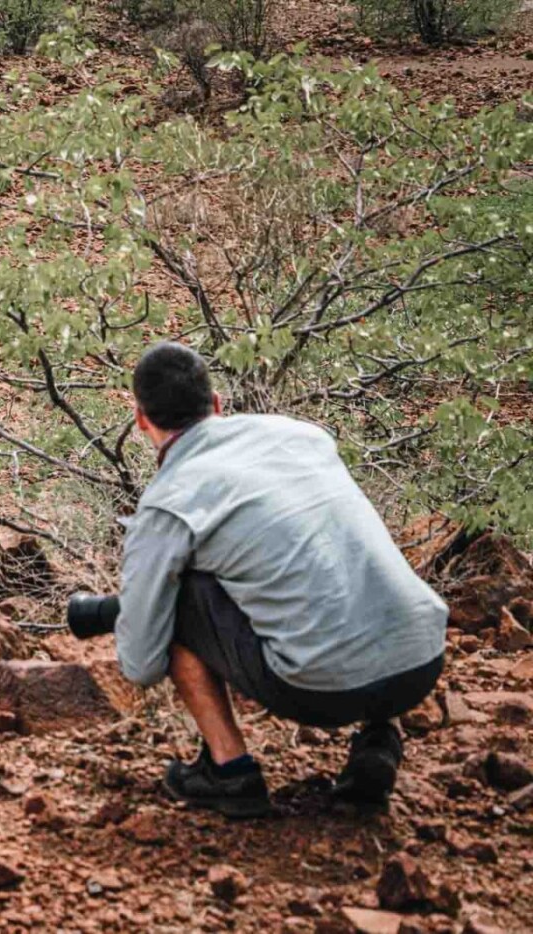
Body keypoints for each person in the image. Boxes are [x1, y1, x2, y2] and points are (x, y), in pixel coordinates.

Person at [117, 342, 447, 818]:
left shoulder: (169, 503)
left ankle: (229, 772)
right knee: (327, 552)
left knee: (181, 595)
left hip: (321, 691)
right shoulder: (301, 437)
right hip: (422, 660)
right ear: (216, 405)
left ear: (141, 420)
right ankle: (380, 736)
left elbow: (141, 664)